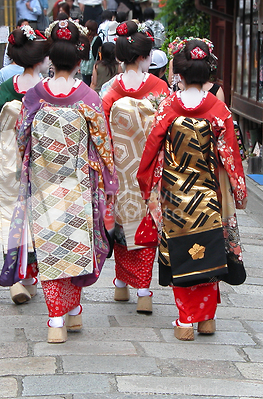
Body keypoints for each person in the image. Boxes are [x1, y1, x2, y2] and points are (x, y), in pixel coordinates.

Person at [8, 19, 118, 343]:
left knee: (50, 247)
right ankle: (68, 313)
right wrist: (109, 185)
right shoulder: (88, 97)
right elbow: (104, 146)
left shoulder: (34, 97)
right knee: (76, 245)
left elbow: (21, 137)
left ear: (50, 59)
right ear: (80, 60)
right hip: (79, 186)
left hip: (43, 185)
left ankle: (60, 316)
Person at [137, 38, 247, 341]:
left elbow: (151, 149)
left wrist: (146, 183)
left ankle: (186, 320)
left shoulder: (168, 106)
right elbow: (231, 155)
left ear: (180, 75)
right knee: (210, 252)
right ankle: (207, 318)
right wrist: (238, 191)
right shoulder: (218, 109)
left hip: (174, 194)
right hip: (209, 193)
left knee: (181, 253)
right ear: (207, 74)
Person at [101, 20, 169, 313]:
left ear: (119, 56)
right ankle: (143, 289)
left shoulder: (110, 90)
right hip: (150, 169)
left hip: (119, 167)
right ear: (145, 57)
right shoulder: (160, 88)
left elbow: (101, 133)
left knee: (120, 226)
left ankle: (120, 285)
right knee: (146, 225)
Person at [0, 25, 50, 304]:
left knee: (10, 215)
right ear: (39, 60)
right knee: (36, 218)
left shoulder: (5, 91)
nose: (49, 61)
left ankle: (19, 277)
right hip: (40, 161)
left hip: (8, 159)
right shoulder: (47, 91)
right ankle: (25, 277)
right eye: (46, 57)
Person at [80, 20, 98, 86]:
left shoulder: (84, 39)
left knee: (85, 83)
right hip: (92, 66)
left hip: (84, 66)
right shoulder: (97, 39)